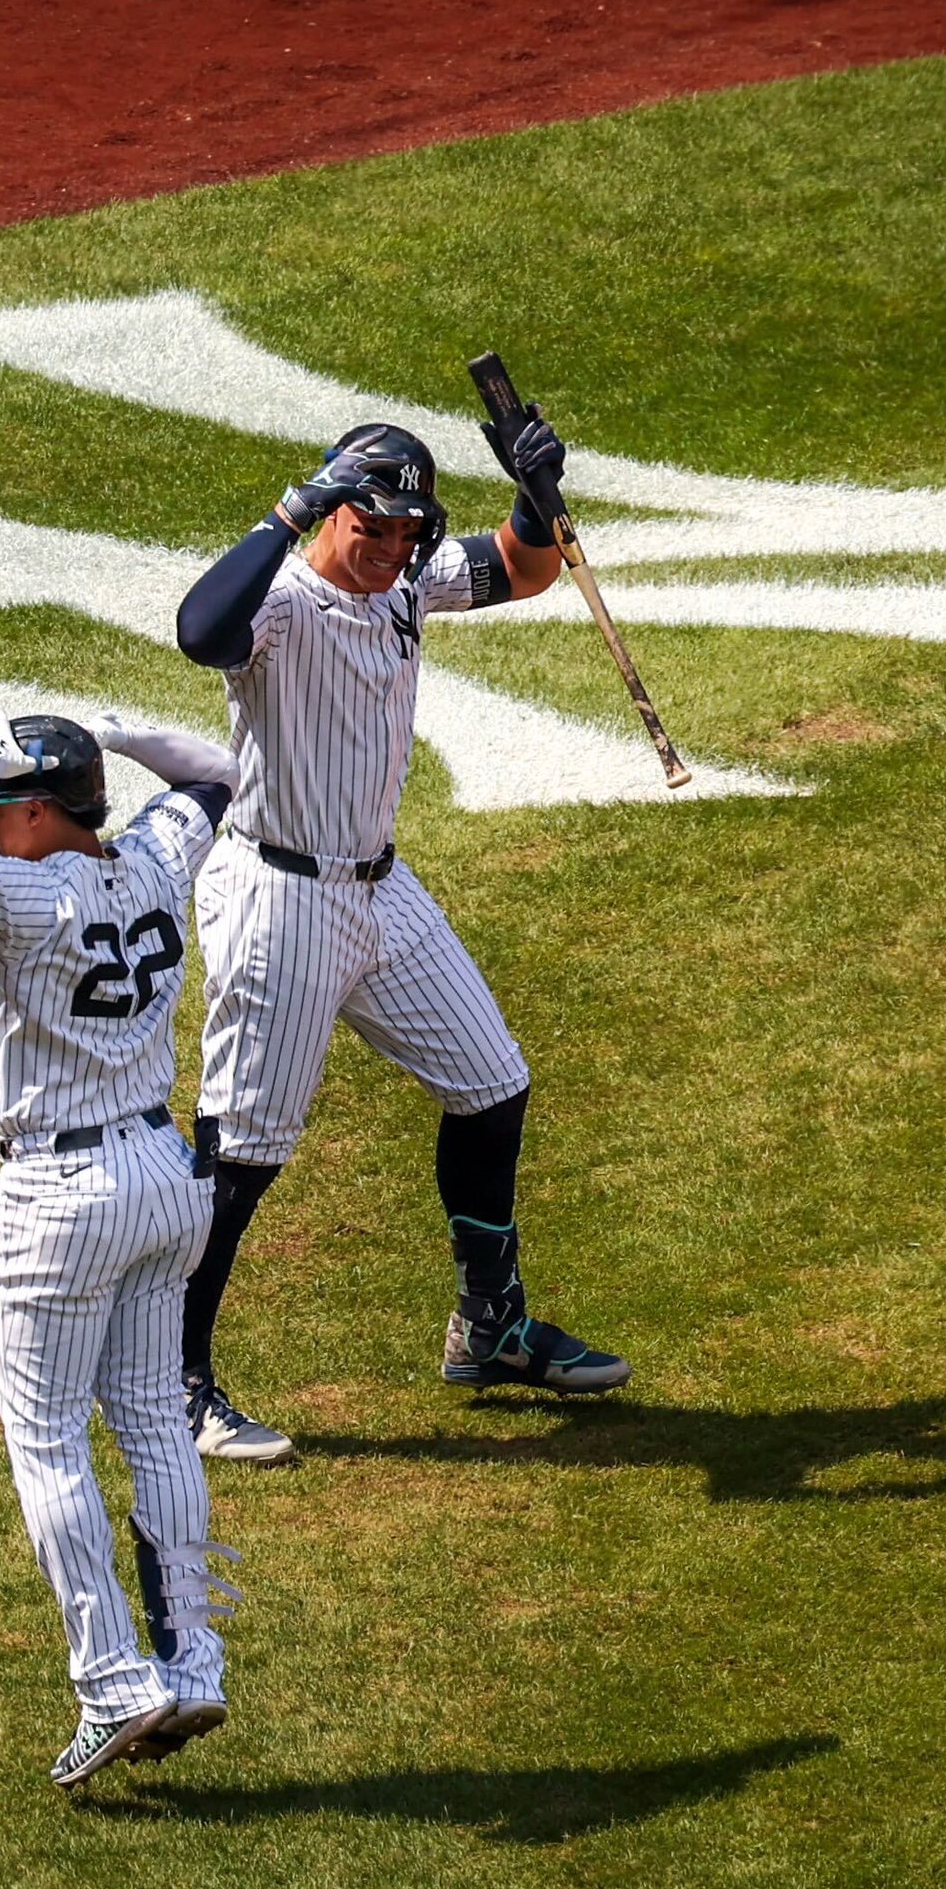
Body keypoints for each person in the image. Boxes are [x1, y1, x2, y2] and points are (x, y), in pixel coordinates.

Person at [172, 416, 631, 1465]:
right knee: (240, 1150)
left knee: (490, 1082)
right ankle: (174, 1376)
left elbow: (523, 567)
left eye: (406, 534)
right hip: (278, 895)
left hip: (378, 888)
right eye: (371, 530)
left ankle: (489, 1325)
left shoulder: (409, 586)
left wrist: (533, 488)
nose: (389, 554)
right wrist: (286, 506)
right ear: (334, 510)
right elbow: (199, 631)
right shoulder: (279, 604)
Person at [0, 708, 245, 1788]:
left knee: (46, 1444)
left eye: (0, 811)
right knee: (148, 1420)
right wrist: (118, 735)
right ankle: (193, 1656)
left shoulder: (26, 898)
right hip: (164, 1175)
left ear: (38, 811)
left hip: (59, 1196)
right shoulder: (154, 853)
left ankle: (114, 1682)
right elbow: (217, 771)